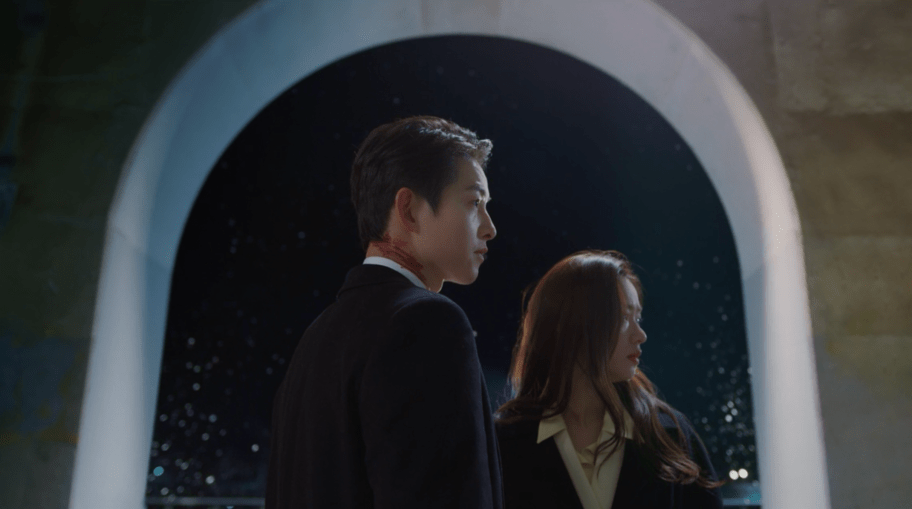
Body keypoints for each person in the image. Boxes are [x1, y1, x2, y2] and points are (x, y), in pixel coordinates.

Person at [266, 116, 502, 509]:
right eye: (474, 203)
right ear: (408, 210)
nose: (490, 227)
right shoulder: (428, 323)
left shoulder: (317, 335)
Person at [495, 250, 724, 509]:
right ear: (569, 322)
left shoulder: (670, 435)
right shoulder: (503, 442)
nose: (641, 335)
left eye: (638, 317)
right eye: (623, 317)